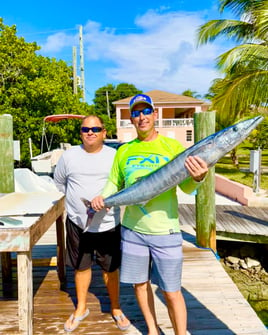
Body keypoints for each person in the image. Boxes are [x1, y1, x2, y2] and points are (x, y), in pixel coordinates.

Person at [91, 94, 208, 335]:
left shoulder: (173, 147)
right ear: (131, 119)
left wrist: (199, 177)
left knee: (172, 290)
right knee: (140, 285)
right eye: (136, 113)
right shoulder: (124, 151)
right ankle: (153, 331)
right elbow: (114, 182)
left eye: (146, 112)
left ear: (155, 115)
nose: (141, 117)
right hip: (132, 230)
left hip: (166, 231)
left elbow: (187, 187)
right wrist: (103, 197)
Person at [54, 115, 130, 332]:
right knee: (81, 266)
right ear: (80, 132)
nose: (90, 132)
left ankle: (116, 308)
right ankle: (81, 308)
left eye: (95, 129)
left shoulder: (114, 156)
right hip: (78, 224)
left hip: (108, 224)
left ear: (104, 132)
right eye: (85, 129)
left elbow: (123, 185)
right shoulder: (69, 156)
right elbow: (59, 183)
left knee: (111, 268)